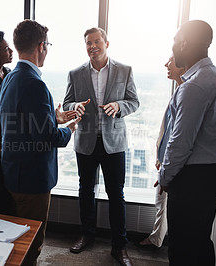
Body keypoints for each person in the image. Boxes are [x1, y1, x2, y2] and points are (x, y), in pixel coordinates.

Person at [0, 19, 81, 266]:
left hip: (13, 172)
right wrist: (69, 129)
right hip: (32, 180)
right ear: (41, 46)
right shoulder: (35, 84)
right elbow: (46, 138)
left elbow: (21, 122)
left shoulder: (10, 78)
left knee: (16, 240)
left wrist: (53, 118)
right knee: (31, 245)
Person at [63, 27, 139, 266]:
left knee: (116, 195)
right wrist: (76, 106)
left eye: (97, 41)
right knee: (86, 191)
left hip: (114, 143)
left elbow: (134, 101)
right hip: (85, 140)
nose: (92, 46)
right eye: (88, 43)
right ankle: (87, 235)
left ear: (107, 43)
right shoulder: (75, 73)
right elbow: (66, 102)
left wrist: (118, 107)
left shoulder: (124, 70)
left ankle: (119, 246)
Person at [158, 20, 216, 265]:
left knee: (182, 247)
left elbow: (180, 143)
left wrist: (165, 177)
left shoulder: (193, 86)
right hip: (213, 173)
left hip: (192, 181)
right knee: (201, 242)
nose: (174, 47)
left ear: (184, 43)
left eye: (175, 41)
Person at [138, 55, 185, 249]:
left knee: (170, 207)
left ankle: (159, 241)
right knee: (161, 203)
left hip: (174, 165)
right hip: (166, 161)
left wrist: (167, 164)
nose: (166, 64)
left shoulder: (187, 92)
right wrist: (160, 157)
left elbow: (180, 136)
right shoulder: (179, 90)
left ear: (183, 65)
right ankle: (156, 239)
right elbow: (168, 130)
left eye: (171, 60)